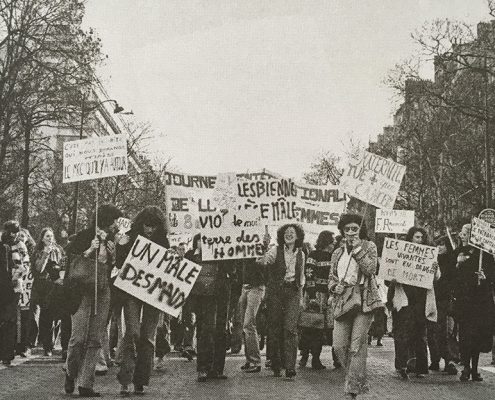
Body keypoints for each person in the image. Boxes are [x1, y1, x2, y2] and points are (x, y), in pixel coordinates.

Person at [64, 204, 122, 398]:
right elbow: (72, 261)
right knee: (78, 338)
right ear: (107, 220)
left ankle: (86, 383)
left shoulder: (113, 240)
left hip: (103, 290)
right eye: (114, 220)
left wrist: (114, 255)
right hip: (82, 291)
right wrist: (89, 250)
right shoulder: (84, 235)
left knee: (95, 338)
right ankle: (71, 373)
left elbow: (115, 268)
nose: (116, 225)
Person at [116, 206, 169, 396]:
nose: (149, 230)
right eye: (147, 226)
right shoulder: (129, 237)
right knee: (132, 333)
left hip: (153, 294)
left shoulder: (163, 242)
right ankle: (125, 379)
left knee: (148, 336)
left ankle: (140, 381)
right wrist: (120, 245)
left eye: (153, 227)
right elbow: (119, 263)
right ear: (141, 224)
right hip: (132, 293)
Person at [328, 214, 381, 398]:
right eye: (347, 229)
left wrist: (357, 249)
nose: (350, 232)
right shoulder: (337, 252)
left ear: (360, 230)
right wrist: (336, 286)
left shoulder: (369, 246)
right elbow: (331, 278)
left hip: (363, 299)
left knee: (357, 345)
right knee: (339, 345)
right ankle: (356, 378)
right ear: (342, 230)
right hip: (343, 300)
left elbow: (371, 269)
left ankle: (352, 388)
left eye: (354, 229)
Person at [257, 224, 305, 381]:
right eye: (286, 232)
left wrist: (301, 296)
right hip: (276, 292)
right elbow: (262, 262)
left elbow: (302, 277)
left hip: (293, 292)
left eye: (292, 232)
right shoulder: (275, 250)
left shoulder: (301, 254)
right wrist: (264, 246)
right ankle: (277, 363)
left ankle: (290, 366)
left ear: (298, 236)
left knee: (291, 328)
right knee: (275, 327)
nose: (289, 234)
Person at [389, 227, 438, 380]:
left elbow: (436, 278)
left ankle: (421, 368)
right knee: (403, 335)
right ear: (410, 238)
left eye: (422, 237)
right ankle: (402, 366)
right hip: (404, 302)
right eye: (417, 237)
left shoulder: (429, 255)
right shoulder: (401, 254)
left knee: (420, 335)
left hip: (421, 301)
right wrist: (393, 277)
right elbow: (387, 277)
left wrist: (434, 270)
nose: (420, 240)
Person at [186, 233, 233, 382]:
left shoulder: (222, 252)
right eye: (200, 240)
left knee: (220, 329)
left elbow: (232, 268)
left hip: (220, 294)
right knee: (205, 330)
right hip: (202, 297)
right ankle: (203, 368)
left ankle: (217, 369)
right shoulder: (190, 255)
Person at [454, 223, 495, 382]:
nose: (461, 234)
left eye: (465, 232)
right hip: (464, 301)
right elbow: (451, 276)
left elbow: (493, 276)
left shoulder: (485, 255)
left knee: (477, 335)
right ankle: (466, 367)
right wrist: (458, 264)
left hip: (481, 301)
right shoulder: (458, 253)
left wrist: (486, 278)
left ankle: (475, 368)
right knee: (465, 335)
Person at [299, 230, 334, 370]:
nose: (333, 244)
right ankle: (305, 355)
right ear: (326, 241)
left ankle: (315, 358)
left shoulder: (333, 256)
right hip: (315, 295)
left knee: (321, 329)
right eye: (331, 241)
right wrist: (312, 296)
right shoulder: (313, 255)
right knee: (311, 326)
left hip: (327, 296)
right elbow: (309, 274)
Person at [31, 228, 66, 357]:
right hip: (43, 287)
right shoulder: (38, 252)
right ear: (42, 239)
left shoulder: (58, 250)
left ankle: (53, 342)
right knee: (46, 316)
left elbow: (63, 265)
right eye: (47, 236)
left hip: (56, 286)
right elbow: (38, 269)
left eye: (51, 236)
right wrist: (45, 253)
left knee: (56, 317)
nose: (49, 239)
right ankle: (47, 346)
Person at [427, 235, 458, 375]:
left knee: (444, 331)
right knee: (432, 330)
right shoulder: (432, 260)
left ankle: (448, 360)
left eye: (443, 244)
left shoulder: (452, 262)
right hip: (432, 298)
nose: (439, 247)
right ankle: (435, 359)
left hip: (445, 300)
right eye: (438, 244)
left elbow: (453, 280)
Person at [0, 221, 27, 366]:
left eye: (15, 231)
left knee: (9, 320)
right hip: (1, 284)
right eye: (10, 231)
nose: (12, 234)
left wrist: (15, 277)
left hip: (13, 286)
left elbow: (25, 265)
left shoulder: (20, 245)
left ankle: (7, 354)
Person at [236, 256, 266, 373]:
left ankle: (255, 361)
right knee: (245, 323)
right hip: (245, 285)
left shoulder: (259, 250)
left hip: (256, 286)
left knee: (248, 323)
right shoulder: (244, 250)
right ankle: (249, 359)